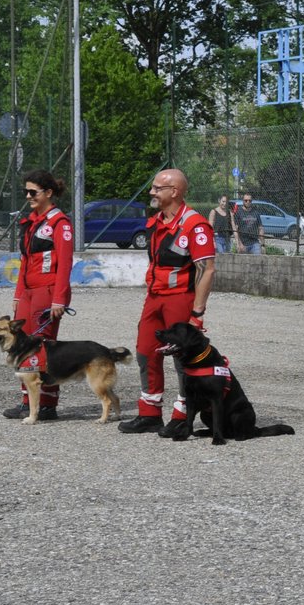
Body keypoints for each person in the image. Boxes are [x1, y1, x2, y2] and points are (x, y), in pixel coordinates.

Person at [118, 168, 218, 435]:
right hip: (154, 298)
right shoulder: (158, 221)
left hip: (180, 299)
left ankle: (182, 415)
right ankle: (149, 413)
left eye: (156, 188)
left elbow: (206, 269)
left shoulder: (194, 225)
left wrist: (197, 312)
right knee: (145, 351)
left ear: (174, 192)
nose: (151, 192)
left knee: (181, 359)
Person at [3, 169, 74, 421]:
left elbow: (65, 263)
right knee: (22, 345)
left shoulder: (60, 223)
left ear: (48, 193)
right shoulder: (32, 221)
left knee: (43, 348)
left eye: (33, 192)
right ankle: (27, 402)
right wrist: (18, 294)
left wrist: (59, 299)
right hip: (29, 292)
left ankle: (48, 404)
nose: (28, 196)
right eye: (26, 192)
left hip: (47, 292)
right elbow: (25, 262)